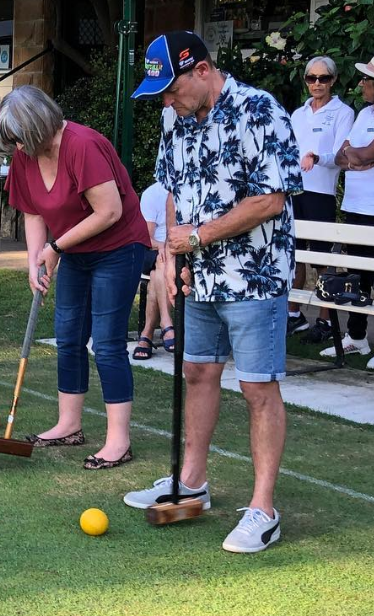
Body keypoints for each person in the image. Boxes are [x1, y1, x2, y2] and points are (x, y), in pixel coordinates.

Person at [125, 31, 302, 553]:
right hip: (198, 276)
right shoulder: (176, 121)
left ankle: (263, 510)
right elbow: (175, 194)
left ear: (202, 70)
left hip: (255, 275)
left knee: (257, 387)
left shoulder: (260, 111)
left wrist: (198, 237)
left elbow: (270, 201)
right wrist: (173, 256)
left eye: (171, 88)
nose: (166, 100)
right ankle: (191, 483)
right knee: (198, 371)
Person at [0, 85, 149, 469]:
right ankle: (69, 424)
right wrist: (34, 260)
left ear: (37, 126)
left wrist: (56, 248)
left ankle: (118, 441)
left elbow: (109, 211)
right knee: (68, 337)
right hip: (74, 251)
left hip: (118, 248)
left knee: (108, 343)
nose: (17, 148)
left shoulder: (82, 145)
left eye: (19, 139)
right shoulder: (25, 155)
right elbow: (32, 211)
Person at [288, 56, 354, 343]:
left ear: (333, 80)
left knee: (322, 258)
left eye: (323, 78)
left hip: (321, 193)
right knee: (294, 254)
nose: (317, 84)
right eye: (311, 78)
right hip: (295, 192)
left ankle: (327, 320)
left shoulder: (343, 112)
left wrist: (317, 157)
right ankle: (293, 314)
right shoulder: (297, 113)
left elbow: (342, 155)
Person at [321, 55, 374, 366]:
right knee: (357, 277)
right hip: (354, 207)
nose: (363, 84)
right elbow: (344, 156)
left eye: (368, 79)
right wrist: (358, 157)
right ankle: (357, 338)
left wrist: (359, 156)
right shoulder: (364, 113)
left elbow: (366, 154)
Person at [133, 182, 174, 360]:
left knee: (158, 273)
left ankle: (147, 334)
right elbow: (146, 239)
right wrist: (165, 247)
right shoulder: (153, 193)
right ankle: (166, 324)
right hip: (154, 250)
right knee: (161, 261)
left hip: (178, 251)